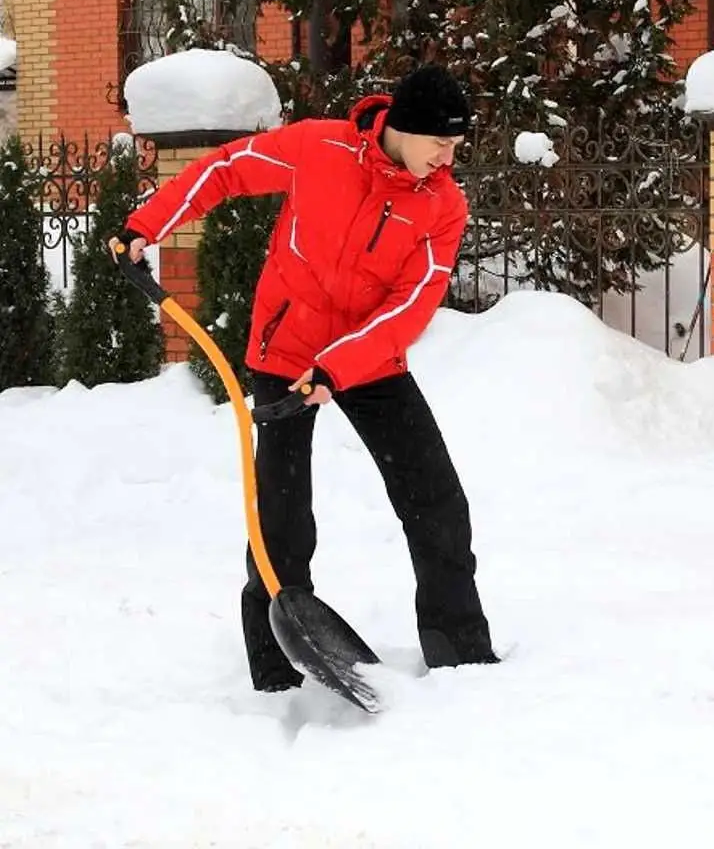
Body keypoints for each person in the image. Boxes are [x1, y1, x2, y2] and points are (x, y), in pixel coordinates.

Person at [112, 63, 496, 691]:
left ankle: (462, 653)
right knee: (282, 518)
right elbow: (226, 168)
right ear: (403, 126)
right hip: (285, 350)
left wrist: (339, 368)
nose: (449, 158)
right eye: (441, 143)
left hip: (367, 360)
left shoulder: (442, 205)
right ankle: (274, 669)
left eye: (456, 146)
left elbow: (412, 304)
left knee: (436, 500)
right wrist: (146, 225)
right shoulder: (319, 148)